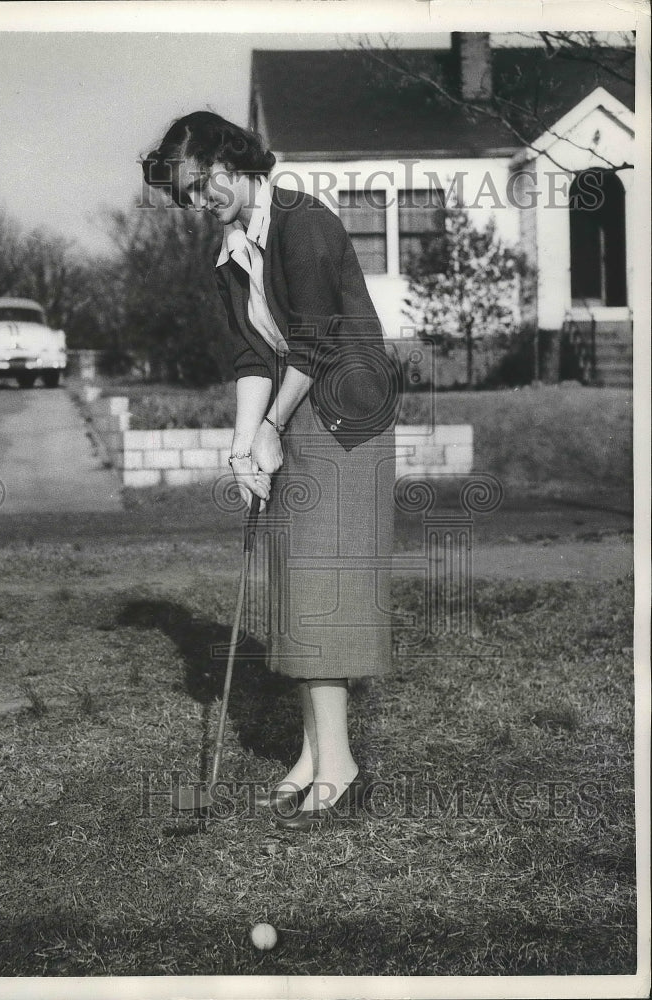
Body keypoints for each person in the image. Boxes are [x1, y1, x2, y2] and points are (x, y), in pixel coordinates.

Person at [143, 111, 399, 832]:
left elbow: (314, 346)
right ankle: (315, 755)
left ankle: (340, 765)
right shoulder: (231, 251)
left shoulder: (302, 223)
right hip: (297, 407)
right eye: (185, 196)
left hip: (346, 415)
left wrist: (270, 430)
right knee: (296, 585)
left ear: (233, 157)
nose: (197, 203)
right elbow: (253, 356)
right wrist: (241, 442)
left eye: (201, 185)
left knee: (322, 586)